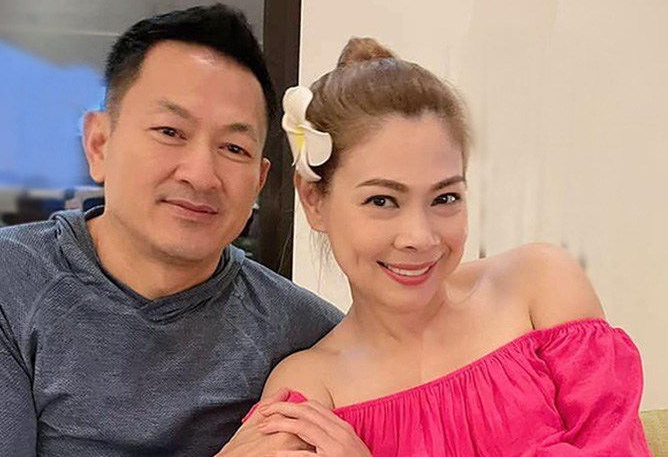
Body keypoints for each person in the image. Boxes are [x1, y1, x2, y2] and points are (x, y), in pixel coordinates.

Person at [0, 4, 345, 456]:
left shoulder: (307, 332)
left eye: (233, 147)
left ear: (259, 181)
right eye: (170, 131)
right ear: (99, 144)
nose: (201, 175)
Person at [246, 37, 652, 455]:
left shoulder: (541, 287)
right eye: (382, 201)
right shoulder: (308, 393)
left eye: (444, 198)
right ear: (314, 201)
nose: (420, 237)